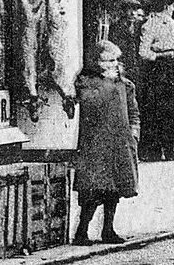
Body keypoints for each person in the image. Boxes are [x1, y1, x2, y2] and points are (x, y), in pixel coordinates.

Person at [72, 40, 138, 246]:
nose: (114, 64)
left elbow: (134, 112)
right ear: (97, 62)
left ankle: (108, 229)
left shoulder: (125, 85)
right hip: (96, 144)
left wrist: (134, 133)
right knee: (92, 190)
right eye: (108, 60)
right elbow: (91, 105)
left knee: (114, 190)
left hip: (120, 143)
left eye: (116, 60)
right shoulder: (87, 82)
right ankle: (81, 232)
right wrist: (108, 84)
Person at [136, 0, 174, 162]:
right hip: (157, 70)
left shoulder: (173, 24)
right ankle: (155, 150)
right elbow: (143, 52)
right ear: (166, 6)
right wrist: (159, 57)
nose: (173, 9)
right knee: (158, 109)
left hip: (171, 69)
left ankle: (170, 148)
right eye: (172, 6)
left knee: (173, 108)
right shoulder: (149, 25)